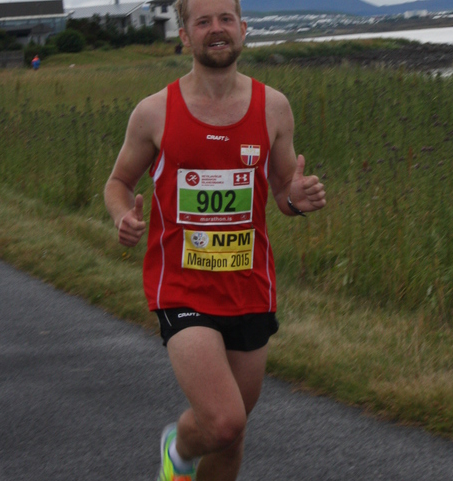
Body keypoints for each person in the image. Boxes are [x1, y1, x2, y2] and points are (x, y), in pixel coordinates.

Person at [103, 0, 326, 480]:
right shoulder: (154, 112)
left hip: (249, 287)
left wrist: (298, 198)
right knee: (223, 421)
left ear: (243, 29)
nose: (216, 29)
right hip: (182, 287)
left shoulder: (274, 106)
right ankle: (178, 450)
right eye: (202, 21)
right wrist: (123, 216)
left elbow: (284, 193)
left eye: (225, 19)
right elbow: (118, 182)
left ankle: (185, 456)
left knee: (231, 434)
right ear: (184, 35)